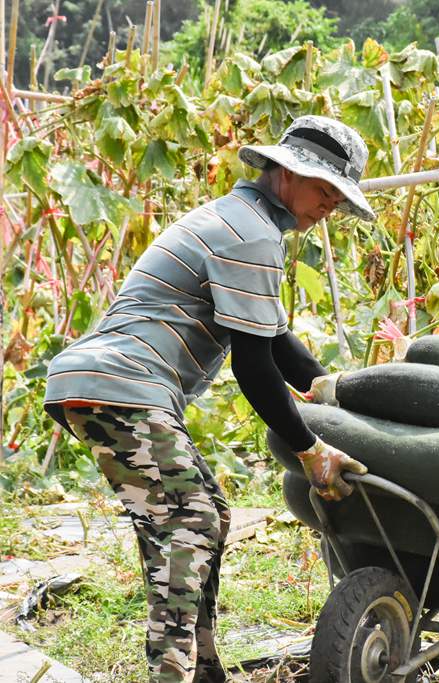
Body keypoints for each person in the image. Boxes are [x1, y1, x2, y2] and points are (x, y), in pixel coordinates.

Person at [43, 115, 372, 683]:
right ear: (287, 174)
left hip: (112, 385)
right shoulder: (252, 233)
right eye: (325, 192)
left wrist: (328, 387)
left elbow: (273, 338)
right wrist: (308, 448)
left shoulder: (240, 218)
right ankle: (172, 673)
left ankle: (203, 669)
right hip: (121, 384)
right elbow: (254, 364)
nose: (329, 209)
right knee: (190, 518)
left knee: (206, 514)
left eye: (339, 199)